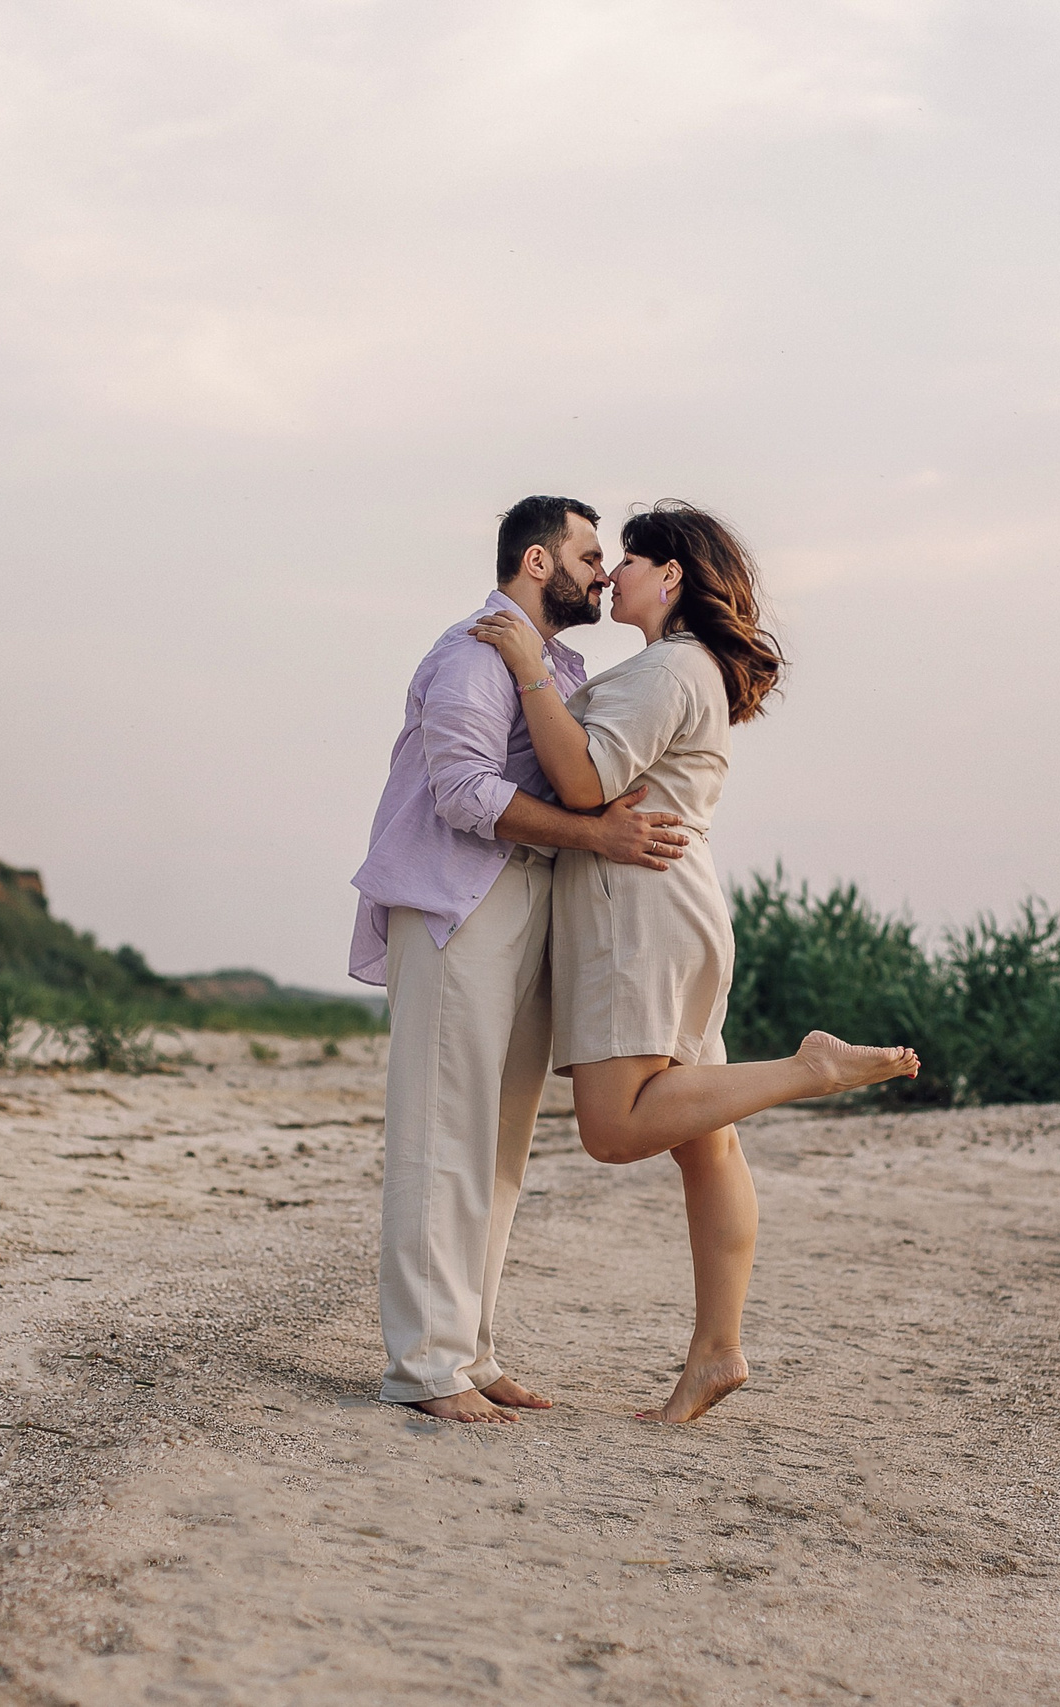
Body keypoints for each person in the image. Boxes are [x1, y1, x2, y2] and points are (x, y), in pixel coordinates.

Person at [469, 501, 919, 1423]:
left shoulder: (667, 667)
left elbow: (586, 783)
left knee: (613, 1128)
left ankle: (808, 1069)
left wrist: (526, 670)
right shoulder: (691, 668)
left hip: (635, 914)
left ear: (671, 576)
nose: (611, 574)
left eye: (628, 559)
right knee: (705, 1144)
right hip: (681, 909)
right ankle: (716, 1353)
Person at [350, 496, 695, 1424]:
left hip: (528, 899)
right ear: (537, 562)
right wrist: (601, 836)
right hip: (459, 903)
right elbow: (463, 792)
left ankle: (472, 1348)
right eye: (589, 556)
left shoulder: (557, 665)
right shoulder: (470, 652)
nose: (601, 571)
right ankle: (422, 1365)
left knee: (500, 1145)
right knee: (441, 1131)